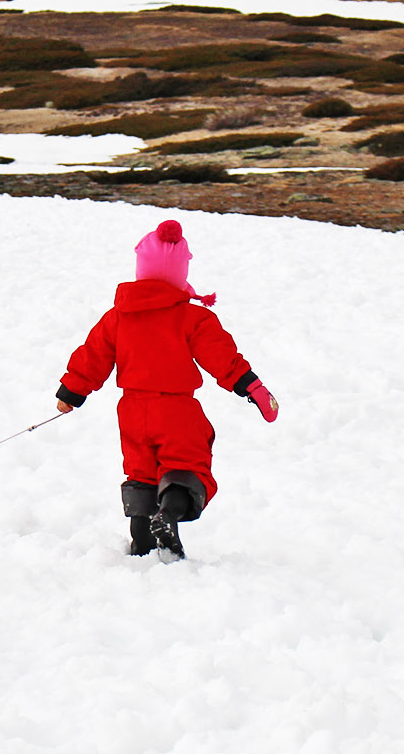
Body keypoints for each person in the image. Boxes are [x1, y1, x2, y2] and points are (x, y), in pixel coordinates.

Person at [55, 219, 278, 558]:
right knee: (186, 466)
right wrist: (251, 386)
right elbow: (223, 358)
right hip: (176, 410)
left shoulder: (118, 316)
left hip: (131, 411)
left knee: (140, 472)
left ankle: (141, 541)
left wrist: (72, 392)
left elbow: (93, 355)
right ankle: (168, 515)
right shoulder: (192, 318)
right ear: (179, 272)